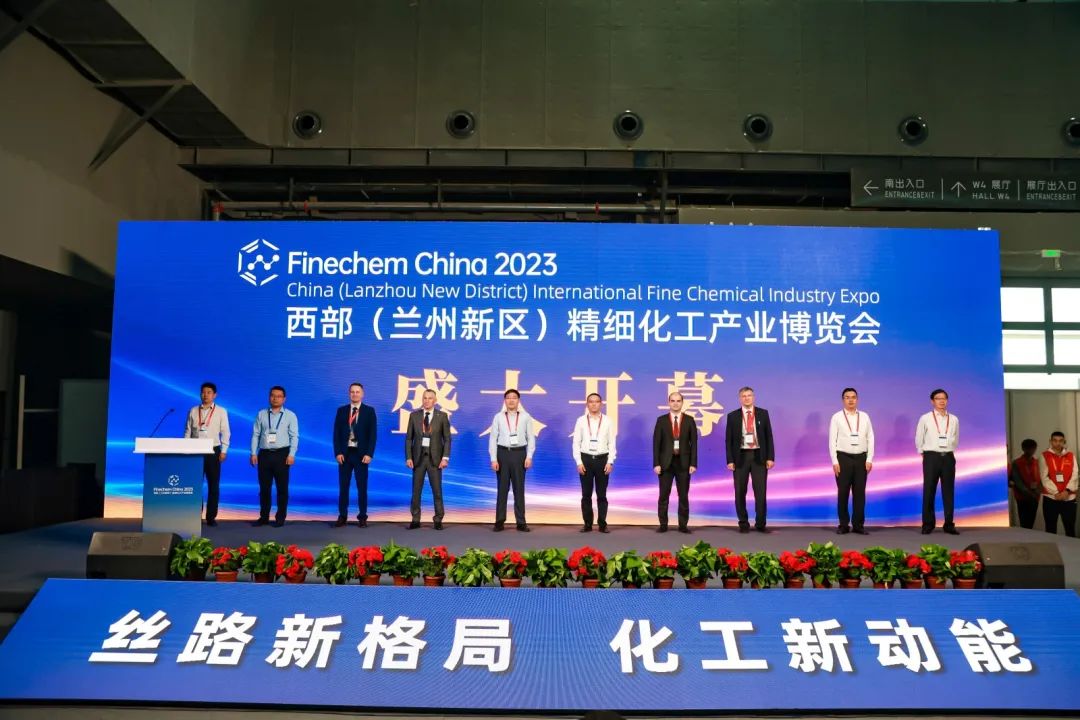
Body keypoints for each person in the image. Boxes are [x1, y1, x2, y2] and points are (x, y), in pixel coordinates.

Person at [725, 386, 775, 533]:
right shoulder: (732, 416)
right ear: (740, 398)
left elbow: (769, 436)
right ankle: (743, 523)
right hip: (740, 457)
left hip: (759, 456)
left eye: (749, 395)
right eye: (744, 396)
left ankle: (760, 523)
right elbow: (728, 440)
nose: (747, 398)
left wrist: (770, 457)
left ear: (753, 397)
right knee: (740, 492)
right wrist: (730, 460)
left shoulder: (763, 414)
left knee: (760, 492)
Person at [250, 385, 298, 527]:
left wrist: (292, 454)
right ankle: (264, 517)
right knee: (264, 489)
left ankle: (280, 518)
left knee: (282, 489)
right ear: (269, 397)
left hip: (282, 455)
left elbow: (294, 437)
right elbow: (256, 435)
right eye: (272, 395)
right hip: (264, 455)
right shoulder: (261, 414)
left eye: (278, 396)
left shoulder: (290, 415)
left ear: (284, 399)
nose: (275, 398)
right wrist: (253, 452)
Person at [488, 389, 536, 532]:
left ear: (518, 400)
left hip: (519, 454)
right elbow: (493, 438)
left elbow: (531, 437)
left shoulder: (526, 417)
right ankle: (499, 521)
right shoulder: (498, 417)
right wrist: (493, 459)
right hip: (502, 453)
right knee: (502, 489)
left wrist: (529, 456)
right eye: (508, 398)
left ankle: (521, 522)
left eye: (514, 398)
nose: (511, 400)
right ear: (505, 400)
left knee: (519, 489)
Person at [828, 388, 874, 535]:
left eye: (853, 397)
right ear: (843, 400)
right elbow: (832, 441)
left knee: (860, 493)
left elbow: (870, 437)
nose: (851, 400)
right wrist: (835, 461)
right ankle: (843, 524)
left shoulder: (865, 417)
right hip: (843, 458)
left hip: (861, 458)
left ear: (857, 399)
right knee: (843, 493)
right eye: (847, 397)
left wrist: (869, 459)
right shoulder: (837, 417)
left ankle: (858, 525)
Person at [184, 382, 231, 526]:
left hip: (213, 451)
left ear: (214, 395)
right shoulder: (193, 410)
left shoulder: (221, 411)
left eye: (209, 392)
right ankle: (194, 516)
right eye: (203, 392)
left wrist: (224, 450)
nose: (205, 395)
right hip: (195, 451)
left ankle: (211, 517)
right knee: (195, 485)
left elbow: (226, 432)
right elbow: (187, 432)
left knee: (213, 485)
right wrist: (185, 449)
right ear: (200, 394)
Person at [405, 388, 451, 530]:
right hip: (418, 459)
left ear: (435, 400)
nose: (427, 400)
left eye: (430, 398)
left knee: (437, 491)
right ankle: (415, 519)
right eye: (425, 398)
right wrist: (408, 457)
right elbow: (409, 439)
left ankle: (438, 519)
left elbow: (447, 439)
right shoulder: (414, 416)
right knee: (416, 491)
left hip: (435, 460)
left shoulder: (442, 416)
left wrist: (445, 458)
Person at [915, 388, 959, 535]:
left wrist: (949, 450)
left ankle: (949, 524)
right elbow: (919, 438)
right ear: (932, 401)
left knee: (948, 491)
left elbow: (955, 438)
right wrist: (924, 453)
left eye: (944, 398)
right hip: (931, 457)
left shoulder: (954, 419)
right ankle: (928, 524)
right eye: (938, 398)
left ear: (947, 400)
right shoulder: (925, 418)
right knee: (929, 490)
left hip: (948, 457)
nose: (941, 401)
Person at [333, 383, 377, 527]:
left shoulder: (369, 411)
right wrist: (338, 452)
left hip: (361, 455)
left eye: (357, 392)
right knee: (343, 487)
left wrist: (369, 454)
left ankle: (362, 516)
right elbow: (336, 434)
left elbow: (372, 435)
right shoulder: (341, 411)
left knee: (362, 488)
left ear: (362, 394)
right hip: (345, 454)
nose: (355, 394)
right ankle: (342, 516)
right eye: (352, 392)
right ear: (349, 394)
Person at [652, 392, 697, 533]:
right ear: (669, 403)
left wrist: (693, 463)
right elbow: (656, 444)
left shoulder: (689, 420)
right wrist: (656, 463)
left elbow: (694, 444)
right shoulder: (661, 420)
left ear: (682, 402)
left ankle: (683, 525)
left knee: (683, 495)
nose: (676, 403)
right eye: (673, 401)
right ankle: (663, 524)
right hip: (665, 464)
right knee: (663, 495)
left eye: (678, 401)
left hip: (684, 463)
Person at [571, 392, 616, 533]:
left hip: (602, 460)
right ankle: (587, 524)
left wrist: (610, 461)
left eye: (596, 401)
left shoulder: (608, 421)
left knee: (602, 495)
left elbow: (612, 443)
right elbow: (576, 443)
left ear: (601, 404)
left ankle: (602, 524)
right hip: (586, 460)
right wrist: (579, 462)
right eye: (591, 401)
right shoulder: (581, 421)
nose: (594, 404)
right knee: (586, 495)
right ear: (587, 404)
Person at [1039, 431, 1078, 537]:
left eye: (1061, 441)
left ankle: (1071, 548)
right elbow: (1044, 477)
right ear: (1050, 441)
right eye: (1055, 440)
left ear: (1064, 441)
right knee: (1050, 529)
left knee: (1070, 528)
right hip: (1051, 498)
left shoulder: (1071, 455)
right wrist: (1056, 492)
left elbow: (1075, 475)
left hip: (1069, 498)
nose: (1058, 443)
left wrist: (1067, 491)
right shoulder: (1044, 456)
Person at [1009, 438, 1041, 529]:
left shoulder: (1037, 462)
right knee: (1024, 524)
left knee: (1031, 523)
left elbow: (1041, 479)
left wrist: (1038, 491)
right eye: (1028, 448)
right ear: (1023, 449)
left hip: (1035, 497)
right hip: (1022, 498)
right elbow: (1017, 481)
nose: (1031, 450)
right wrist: (1030, 493)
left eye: (1033, 448)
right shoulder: (1016, 463)